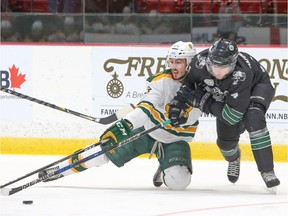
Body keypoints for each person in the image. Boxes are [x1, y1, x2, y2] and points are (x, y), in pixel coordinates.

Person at [39, 41, 202, 190]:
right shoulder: (160, 82)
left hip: (175, 140)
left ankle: (165, 166)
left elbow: (195, 115)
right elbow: (145, 108)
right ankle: (60, 170)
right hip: (147, 131)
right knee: (103, 151)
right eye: (171, 61)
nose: (173, 66)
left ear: (189, 63)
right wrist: (125, 124)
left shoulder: (202, 86)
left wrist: (184, 117)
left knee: (179, 183)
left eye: (178, 62)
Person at [167, 38, 280, 189]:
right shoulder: (199, 62)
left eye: (224, 67)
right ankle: (234, 158)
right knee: (225, 143)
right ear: (208, 60)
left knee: (253, 118)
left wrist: (204, 102)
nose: (218, 71)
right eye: (214, 66)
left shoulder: (241, 75)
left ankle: (268, 172)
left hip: (256, 87)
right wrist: (177, 105)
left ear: (232, 64)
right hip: (229, 94)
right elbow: (189, 86)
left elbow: (233, 116)